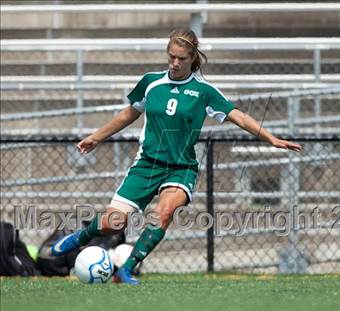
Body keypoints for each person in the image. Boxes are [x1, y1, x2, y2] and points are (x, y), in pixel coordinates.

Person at [51, 29, 302, 284]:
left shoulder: (204, 91)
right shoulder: (151, 82)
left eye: (181, 58)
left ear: (193, 58)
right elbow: (129, 114)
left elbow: (239, 116)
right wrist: (96, 136)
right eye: (172, 56)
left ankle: (126, 269)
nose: (175, 63)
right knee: (112, 222)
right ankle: (79, 238)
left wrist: (271, 138)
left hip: (181, 168)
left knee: (164, 212)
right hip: (147, 164)